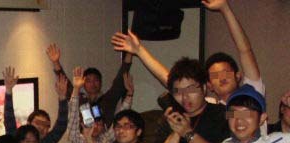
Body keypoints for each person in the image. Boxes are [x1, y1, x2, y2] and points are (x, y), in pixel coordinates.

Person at [111, 0, 264, 103]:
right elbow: (170, 80)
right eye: (215, 76)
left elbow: (245, 50)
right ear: (209, 85)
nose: (221, 78)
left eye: (226, 73)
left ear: (238, 75)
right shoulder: (210, 107)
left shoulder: (252, 93)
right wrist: (139, 50)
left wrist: (225, 9)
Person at [4, 62, 68, 143]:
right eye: (38, 123)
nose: (41, 128)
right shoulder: (18, 141)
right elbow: (9, 120)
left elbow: (62, 123)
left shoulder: (48, 142)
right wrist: (9, 91)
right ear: (28, 123)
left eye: (46, 125)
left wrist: (62, 97)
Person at [47, 43, 133, 127]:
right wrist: (56, 62)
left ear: (101, 82)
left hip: (106, 135)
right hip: (82, 136)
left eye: (96, 80)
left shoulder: (108, 99)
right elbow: (65, 82)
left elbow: (119, 80)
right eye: (88, 81)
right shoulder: (79, 99)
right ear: (83, 83)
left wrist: (130, 52)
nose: (92, 84)